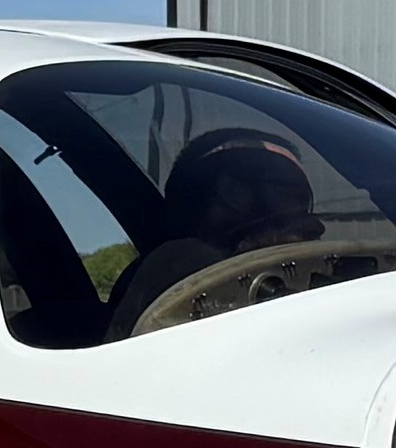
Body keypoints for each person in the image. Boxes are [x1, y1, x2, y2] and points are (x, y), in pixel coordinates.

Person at [103, 123, 328, 335]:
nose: (315, 223)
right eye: (292, 195)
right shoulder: (180, 263)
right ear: (233, 193)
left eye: (306, 201)